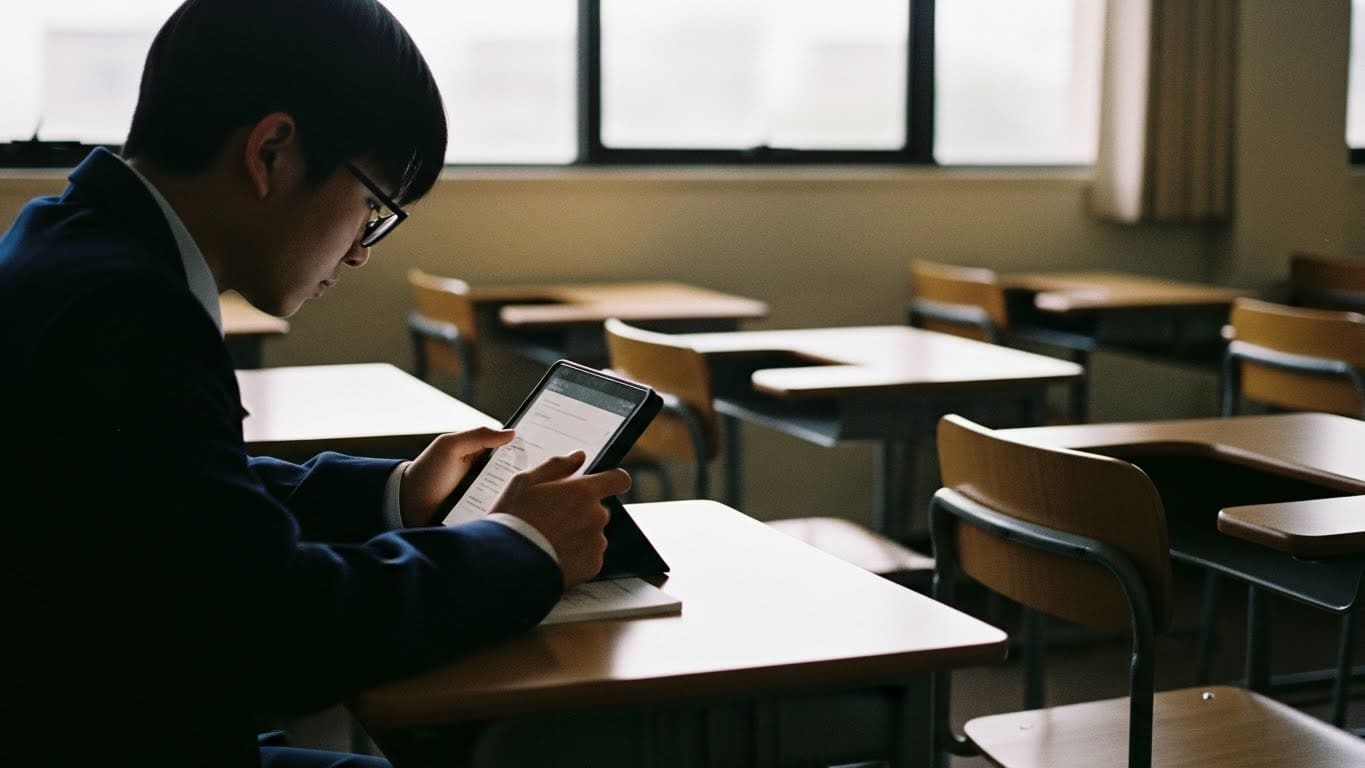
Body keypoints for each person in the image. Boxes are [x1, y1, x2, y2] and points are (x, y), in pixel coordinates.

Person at [0, 1, 629, 765]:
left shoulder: (67, 240)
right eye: (371, 207)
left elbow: (182, 501)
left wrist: (397, 491)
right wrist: (522, 548)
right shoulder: (128, 312)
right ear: (272, 152)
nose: (361, 251)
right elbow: (273, 630)